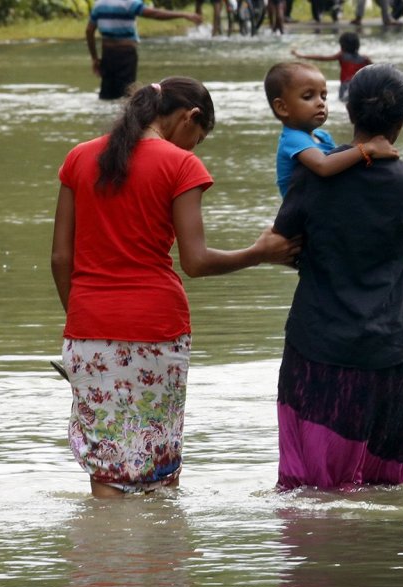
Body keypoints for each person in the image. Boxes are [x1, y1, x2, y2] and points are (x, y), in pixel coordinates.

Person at [50, 78, 300, 497]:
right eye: (197, 139)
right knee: (157, 462)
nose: (193, 150)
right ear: (190, 117)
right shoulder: (179, 165)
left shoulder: (79, 157)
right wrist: (260, 253)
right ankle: (160, 558)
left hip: (88, 327)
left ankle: (99, 557)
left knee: (107, 466)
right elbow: (196, 261)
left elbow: (61, 259)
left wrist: (81, 321)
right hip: (156, 326)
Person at [272, 64, 403, 490]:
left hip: (318, 348)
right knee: (389, 490)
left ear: (349, 111)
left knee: (311, 494)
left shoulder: (312, 176)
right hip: (393, 353)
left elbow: (283, 246)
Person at [264, 61, 398, 197]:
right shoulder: (293, 138)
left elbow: (340, 163)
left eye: (323, 96)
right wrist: (369, 148)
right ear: (282, 107)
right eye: (308, 97)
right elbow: (324, 166)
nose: (320, 103)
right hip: (299, 214)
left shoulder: (322, 136)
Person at [85, 0, 202, 101]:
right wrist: (184, 14)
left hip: (107, 55)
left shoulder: (99, 4)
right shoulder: (128, 3)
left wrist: (95, 58)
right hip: (126, 55)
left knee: (106, 96)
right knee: (126, 96)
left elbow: (89, 30)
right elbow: (155, 14)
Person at [292, 31, 373, 104]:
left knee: (344, 102)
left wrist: (301, 55)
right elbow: (375, 71)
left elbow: (322, 58)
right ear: (357, 45)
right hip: (360, 86)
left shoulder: (342, 56)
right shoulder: (365, 59)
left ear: (342, 46)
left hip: (345, 87)